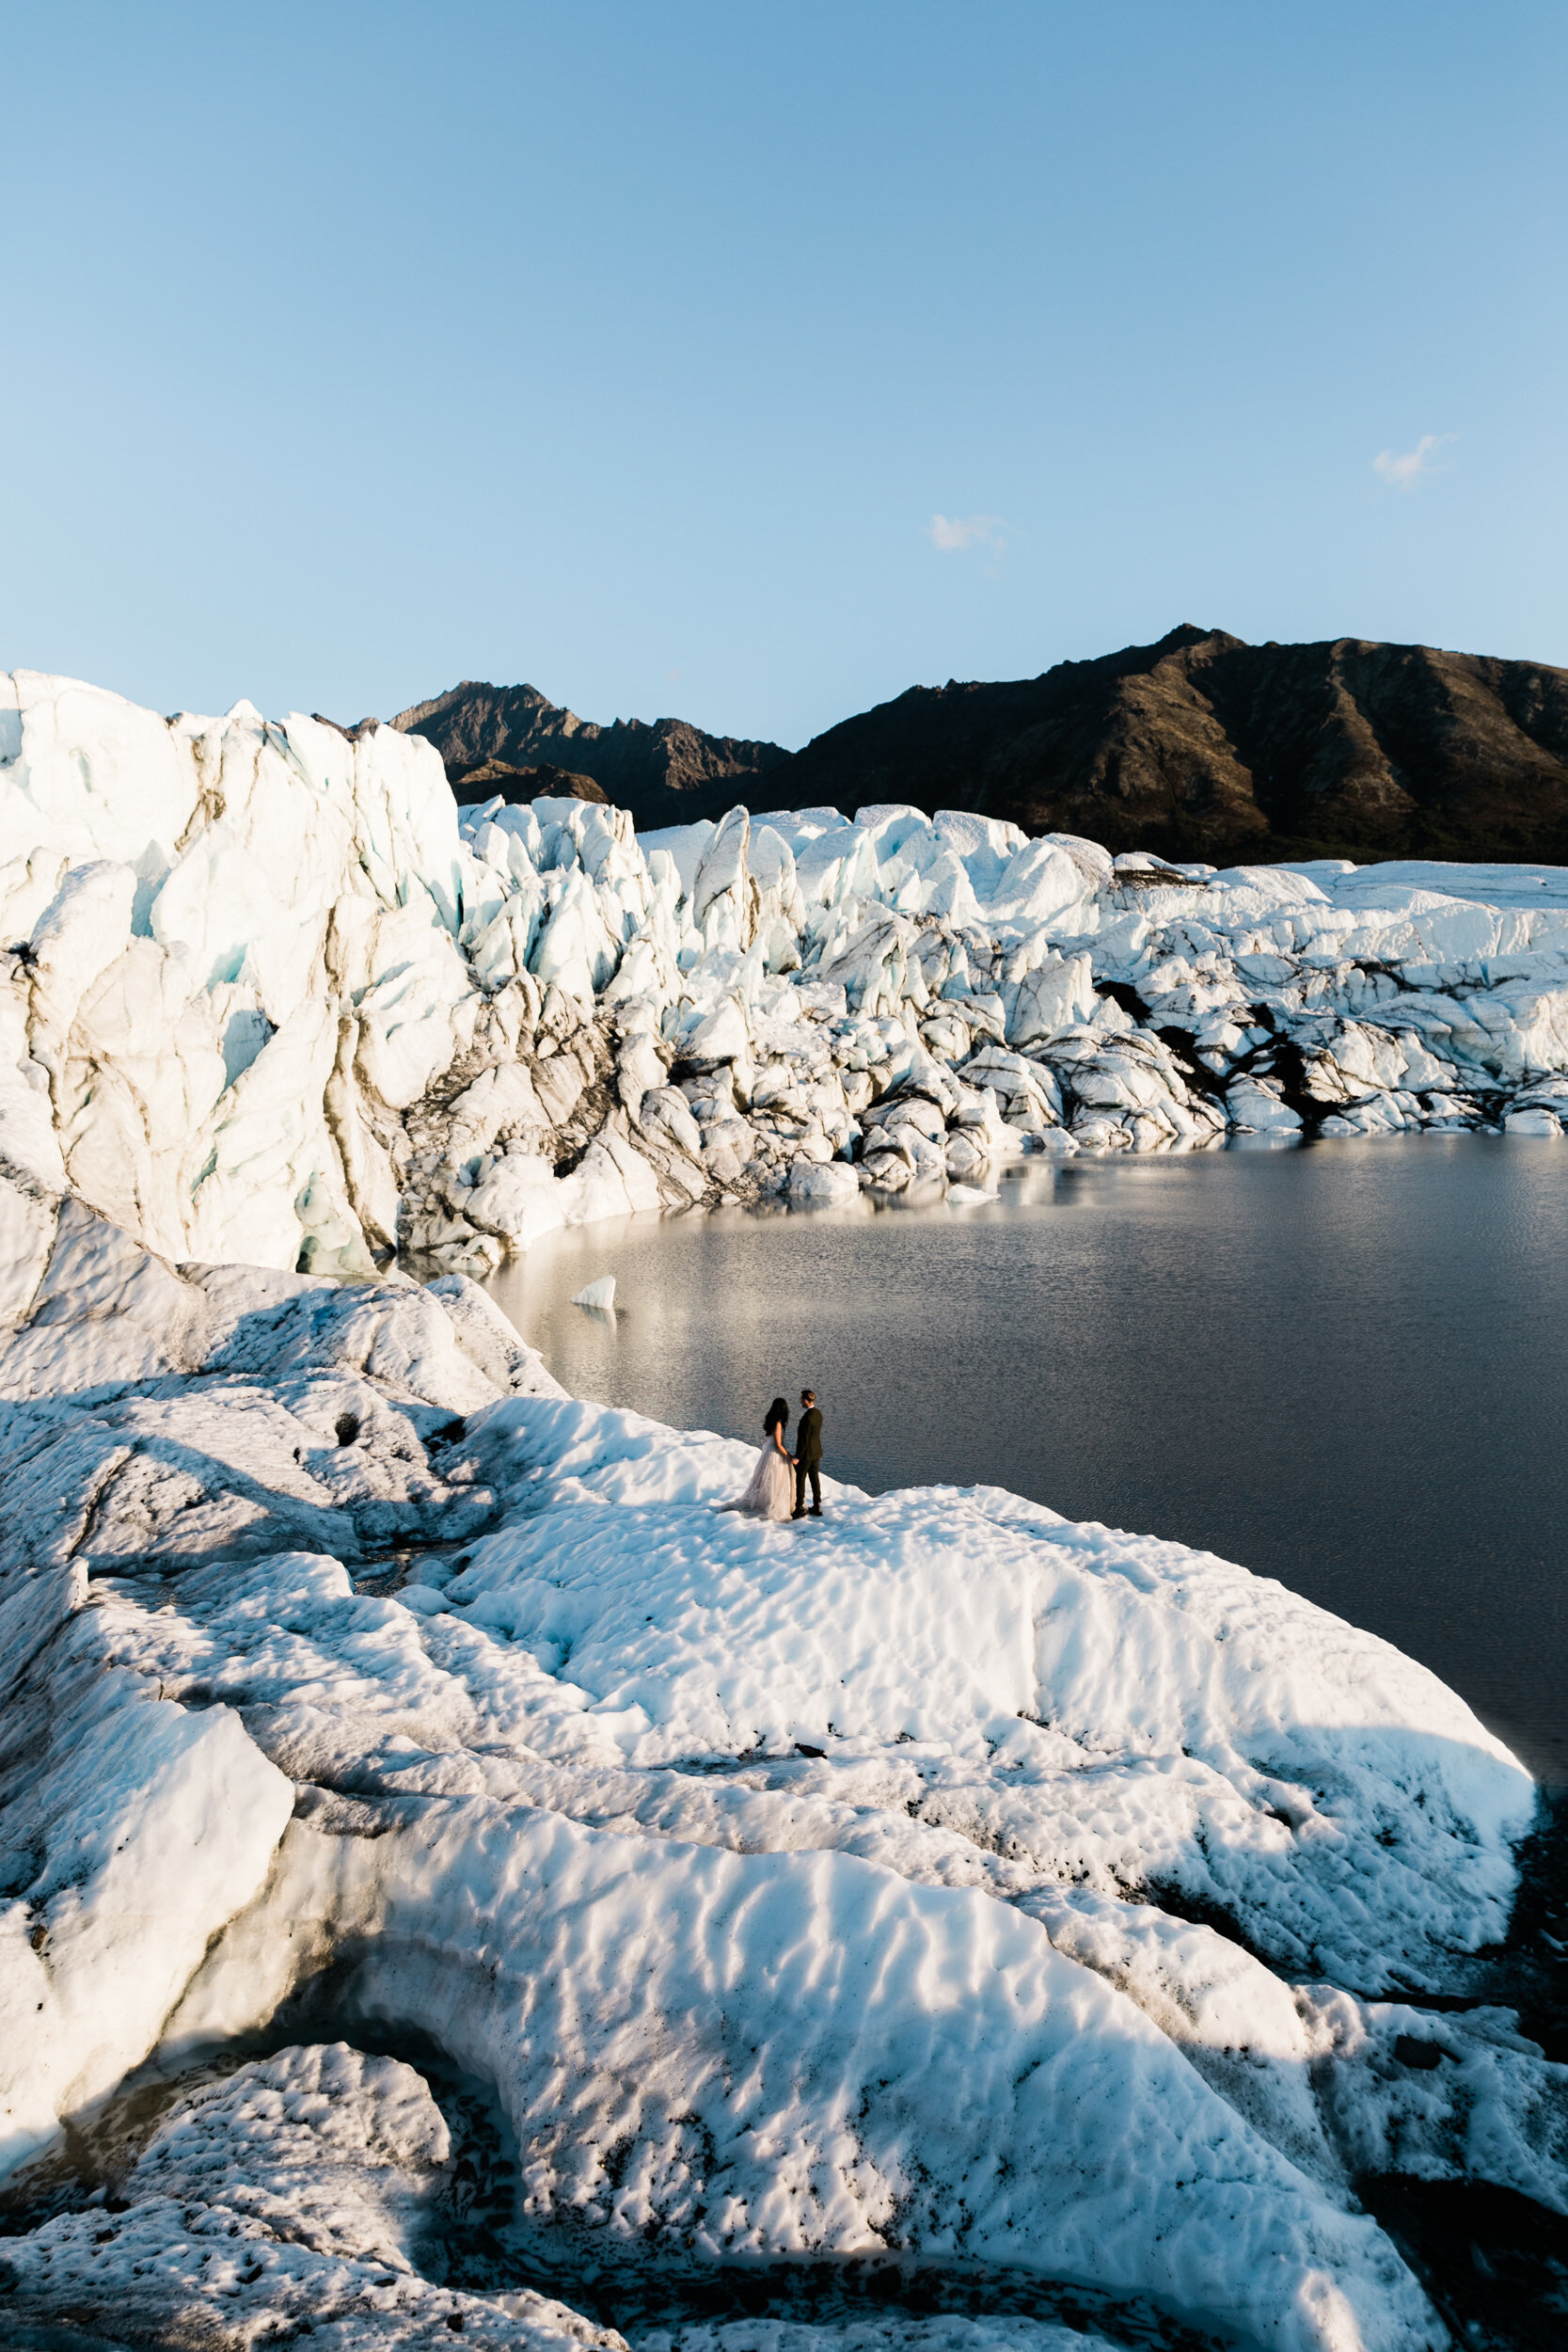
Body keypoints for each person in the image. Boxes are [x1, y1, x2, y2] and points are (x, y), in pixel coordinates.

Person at [724, 1395, 796, 1520]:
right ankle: (773, 1504)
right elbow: (778, 1444)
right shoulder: (778, 1424)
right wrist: (789, 1456)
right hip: (775, 1455)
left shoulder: (772, 1421)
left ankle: (768, 1501)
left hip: (769, 1452)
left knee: (766, 1480)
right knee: (776, 1480)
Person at [793, 1389, 823, 1518]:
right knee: (814, 1478)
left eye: (801, 1400)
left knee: (800, 1479)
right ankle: (817, 1504)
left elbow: (803, 1440)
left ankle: (799, 1506)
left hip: (806, 1455)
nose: (800, 1401)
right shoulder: (818, 1414)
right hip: (816, 1452)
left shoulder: (807, 1418)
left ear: (806, 1401)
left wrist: (797, 1457)